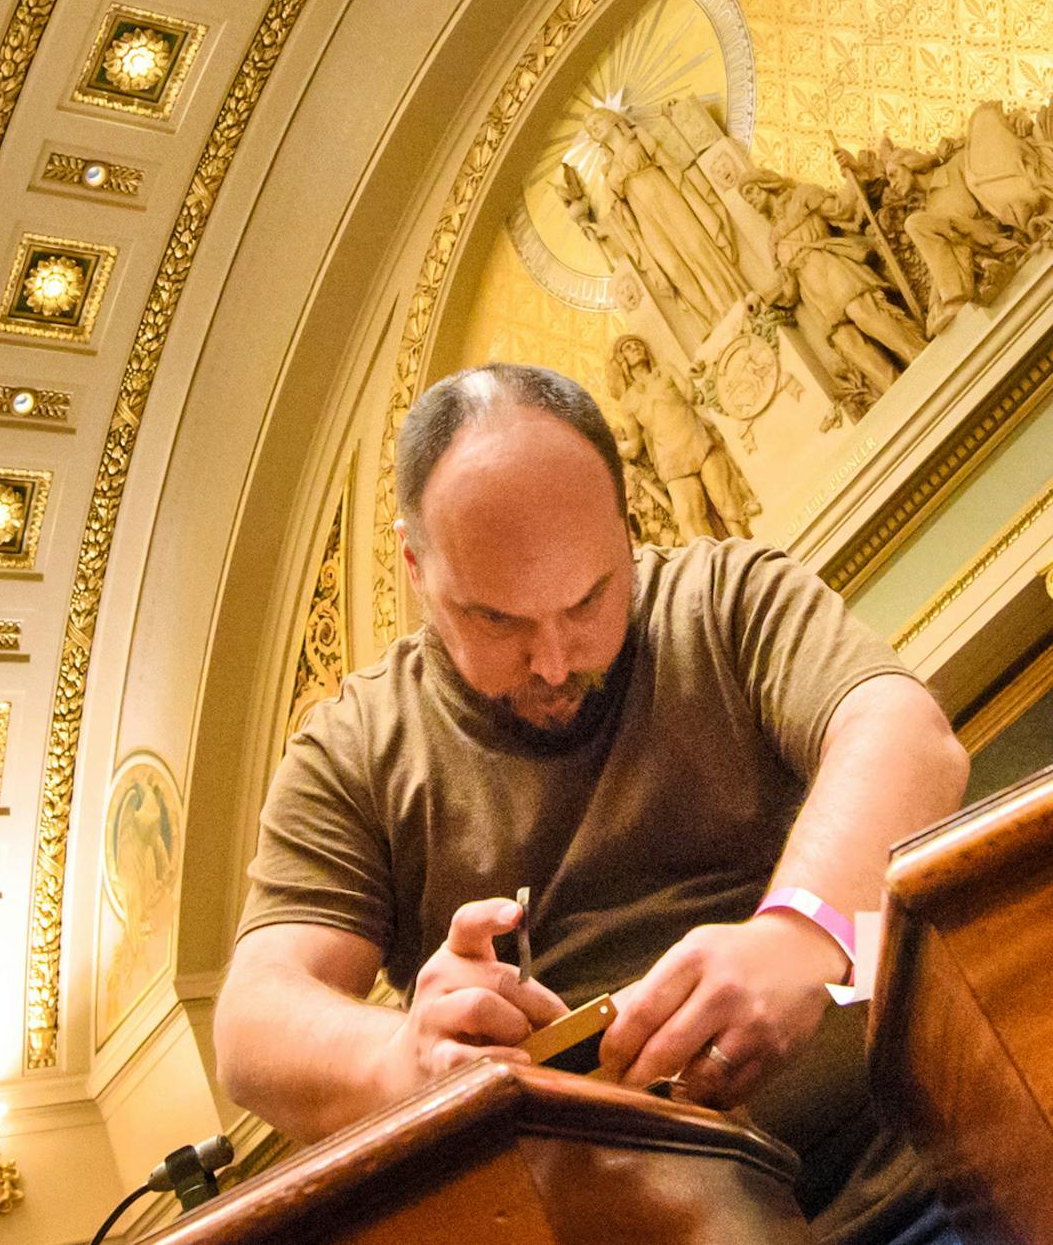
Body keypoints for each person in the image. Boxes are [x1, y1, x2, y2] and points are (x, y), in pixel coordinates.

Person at [213, 364, 970, 1245]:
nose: (553, 660)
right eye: (496, 620)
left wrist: (799, 933)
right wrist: (407, 1054)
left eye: (587, 600)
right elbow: (253, 1021)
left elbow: (905, 732)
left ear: (627, 524)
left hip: (929, 1177)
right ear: (417, 566)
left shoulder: (725, 599)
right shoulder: (351, 753)